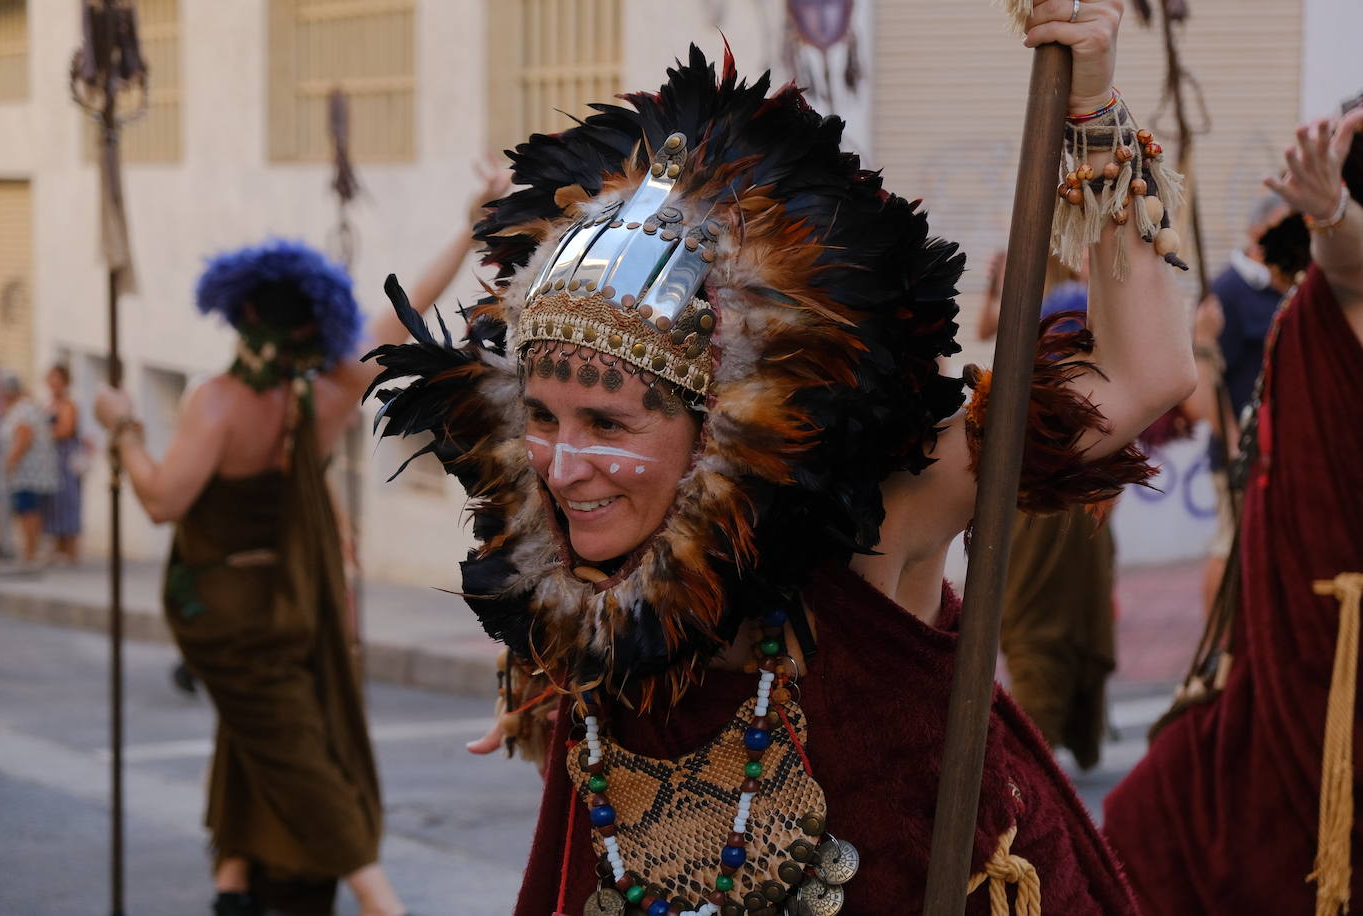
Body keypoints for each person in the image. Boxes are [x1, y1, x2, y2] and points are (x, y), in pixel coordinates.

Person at [368, 5, 1194, 913]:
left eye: (609, 424)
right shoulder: (564, 559)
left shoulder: (874, 522)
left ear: (720, 422)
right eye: (542, 416)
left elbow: (1141, 376)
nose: (562, 468)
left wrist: (1093, 104)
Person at [93, 165, 506, 916]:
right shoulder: (329, 393)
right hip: (296, 596)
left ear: (242, 314)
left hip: (225, 612)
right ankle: (237, 877)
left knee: (289, 745)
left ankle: (379, 898)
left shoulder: (216, 405)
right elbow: (406, 309)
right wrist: (470, 225)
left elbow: (161, 501)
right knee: (261, 726)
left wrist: (121, 425)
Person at [1103, 100, 1363, 915]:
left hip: (1334, 638)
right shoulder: (1295, 295)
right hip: (1278, 609)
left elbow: (1350, 259)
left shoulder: (1340, 278)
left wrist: (1335, 214)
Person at [977, 254, 1118, 770]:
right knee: (1040, 629)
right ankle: (1034, 772)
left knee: (1048, 627)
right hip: (1048, 478)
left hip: (1064, 478)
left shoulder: (1077, 303)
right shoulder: (1061, 305)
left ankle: (1036, 770)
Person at [1183, 194, 1292, 614]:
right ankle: (1217, 653)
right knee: (1232, 544)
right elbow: (1202, 384)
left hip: (1280, 450)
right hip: (1240, 451)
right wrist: (1231, 441)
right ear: (1256, 232)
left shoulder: (1290, 284)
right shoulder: (1227, 291)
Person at [0, 373, 59, 572]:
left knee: (27, 511)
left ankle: (30, 553)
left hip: (28, 473)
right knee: (29, 511)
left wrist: (9, 462)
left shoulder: (23, 410)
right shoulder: (25, 407)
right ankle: (31, 552)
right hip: (30, 473)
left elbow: (24, 439)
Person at [41, 363, 85, 565]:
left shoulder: (69, 405)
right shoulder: (50, 404)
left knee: (68, 502)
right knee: (54, 504)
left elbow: (65, 430)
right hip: (51, 460)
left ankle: (71, 551)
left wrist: (43, 434)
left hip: (65, 460)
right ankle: (58, 549)